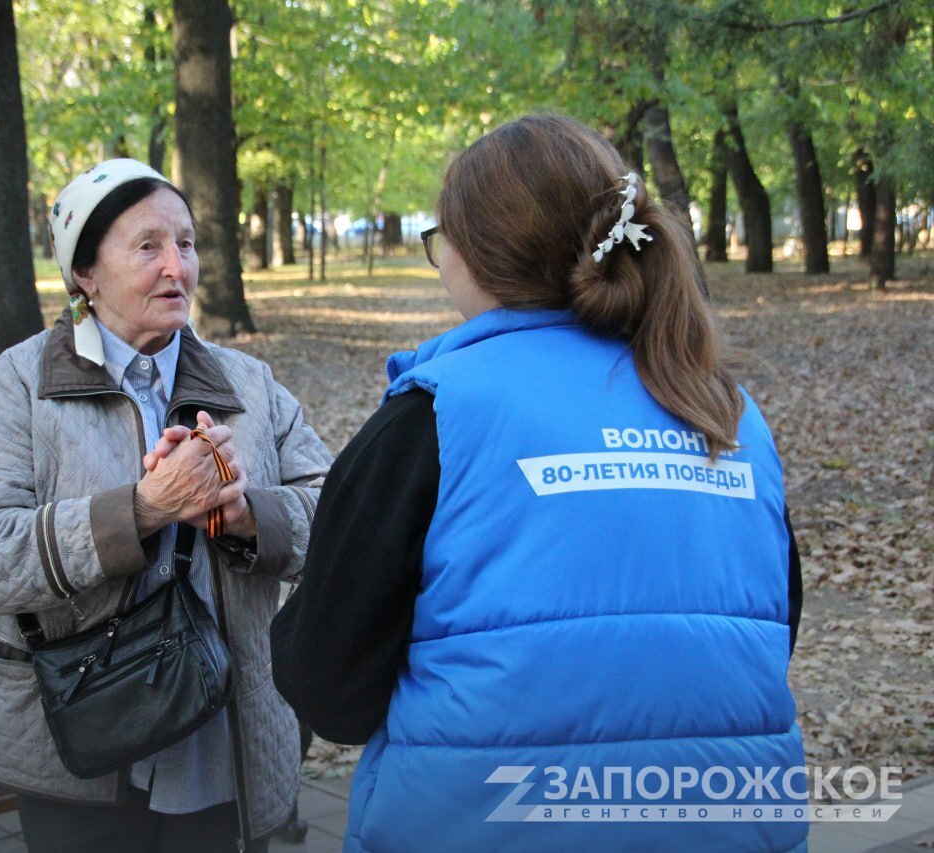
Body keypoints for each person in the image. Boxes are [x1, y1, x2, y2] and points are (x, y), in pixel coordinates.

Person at [270, 114, 807, 852]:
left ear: (469, 253)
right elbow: (756, 641)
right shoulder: (729, 414)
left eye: (439, 240)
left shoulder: (432, 417)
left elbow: (329, 689)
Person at [0, 158, 333, 853]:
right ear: (85, 272)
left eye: (187, 243)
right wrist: (143, 508)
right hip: (84, 730)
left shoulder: (250, 384)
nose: (177, 267)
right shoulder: (23, 382)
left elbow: (332, 514)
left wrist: (241, 516)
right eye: (148, 246)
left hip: (220, 736)